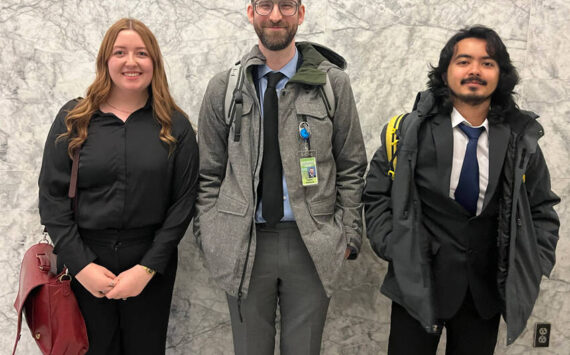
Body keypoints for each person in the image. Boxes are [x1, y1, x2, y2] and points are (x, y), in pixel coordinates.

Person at [364, 25, 560, 355]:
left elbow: (542, 208)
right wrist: (396, 247)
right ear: (445, 72)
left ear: (501, 74)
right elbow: (376, 195)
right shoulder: (408, 132)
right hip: (417, 285)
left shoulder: (519, 139)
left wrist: (531, 263)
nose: (474, 70)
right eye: (464, 61)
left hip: (484, 295)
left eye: (487, 62)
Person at [193, 0, 367, 354]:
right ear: (250, 11)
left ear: (300, 13)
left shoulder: (331, 84)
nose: (275, 15)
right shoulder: (224, 89)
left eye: (286, 5)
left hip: (312, 244)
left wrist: (348, 234)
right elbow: (208, 172)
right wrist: (211, 234)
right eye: (265, 5)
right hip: (243, 246)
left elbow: (351, 165)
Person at [38, 18, 198, 355]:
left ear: (154, 62)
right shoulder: (73, 119)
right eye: (120, 52)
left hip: (150, 264)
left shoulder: (176, 126)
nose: (131, 62)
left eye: (142, 53)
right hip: (84, 262)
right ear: (105, 61)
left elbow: (182, 205)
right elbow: (52, 198)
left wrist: (146, 269)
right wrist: (81, 266)